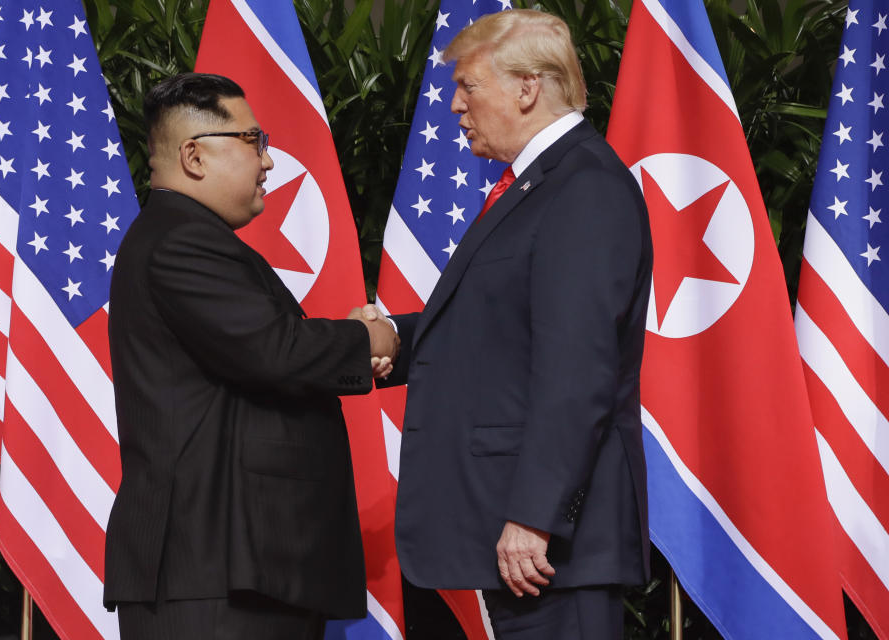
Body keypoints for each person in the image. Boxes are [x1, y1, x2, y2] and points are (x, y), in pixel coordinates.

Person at [365, 9, 653, 639]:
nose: (456, 106)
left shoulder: (583, 187)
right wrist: (391, 337)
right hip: (511, 543)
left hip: (545, 551)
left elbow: (578, 370)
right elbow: (495, 329)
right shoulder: (535, 186)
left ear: (528, 87)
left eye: (468, 86)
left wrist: (534, 515)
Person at [103, 72, 398, 640]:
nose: (267, 161)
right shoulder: (180, 240)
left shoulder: (187, 236)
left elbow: (265, 352)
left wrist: (379, 343)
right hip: (215, 572)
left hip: (238, 569)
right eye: (253, 141)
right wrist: (368, 341)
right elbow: (275, 352)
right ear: (194, 156)